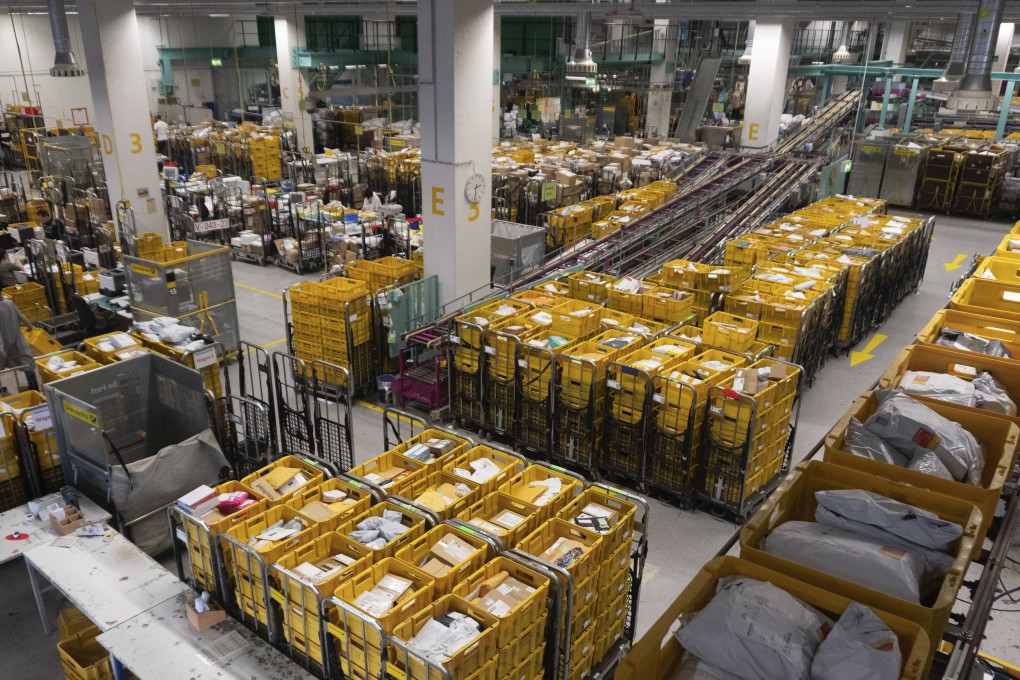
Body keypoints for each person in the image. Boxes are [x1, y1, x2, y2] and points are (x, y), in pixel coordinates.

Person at [0, 297, 33, 371]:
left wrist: (0, 345)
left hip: (4, 341)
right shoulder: (10, 303)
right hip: (18, 339)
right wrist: (30, 326)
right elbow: (22, 317)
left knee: (2, 365)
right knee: (25, 361)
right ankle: (32, 380)